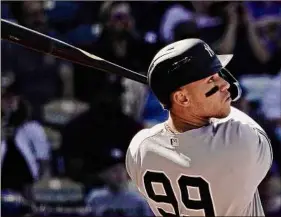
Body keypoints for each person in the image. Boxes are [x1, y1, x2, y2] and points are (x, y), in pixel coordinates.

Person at [126, 38, 273, 216]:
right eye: (211, 80)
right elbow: (233, 112)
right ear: (182, 98)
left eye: (220, 74)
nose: (225, 84)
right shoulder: (242, 140)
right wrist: (234, 93)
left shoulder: (140, 148)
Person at [86, 147, 153, 216]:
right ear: (103, 174)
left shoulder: (139, 200)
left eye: (122, 169)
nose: (119, 174)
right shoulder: (95, 198)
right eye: (114, 170)